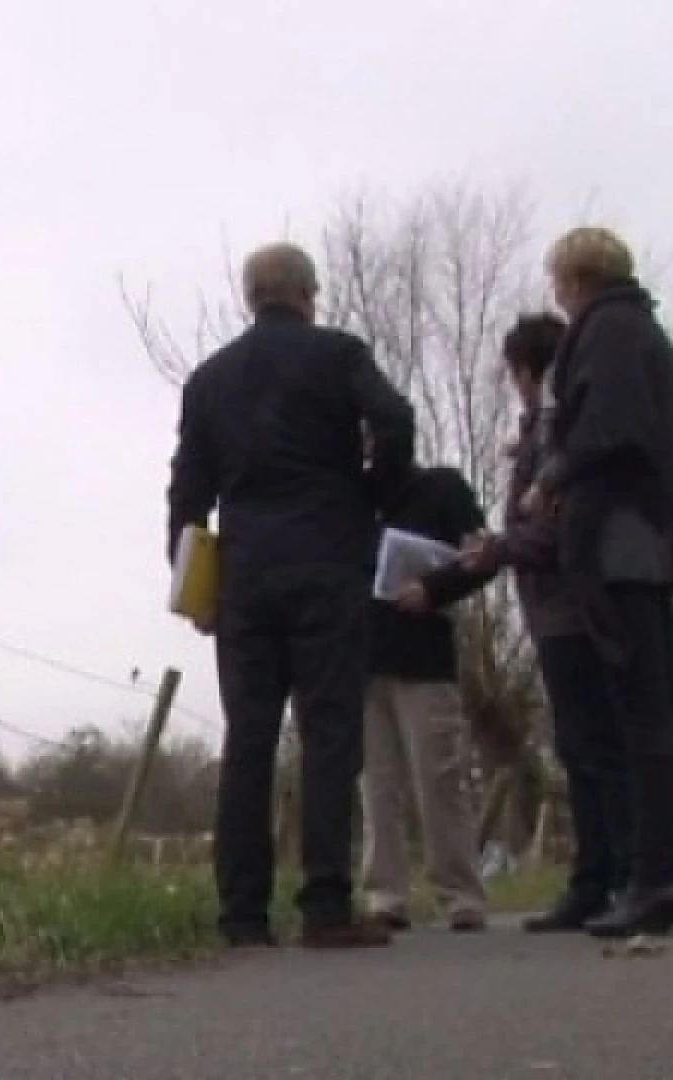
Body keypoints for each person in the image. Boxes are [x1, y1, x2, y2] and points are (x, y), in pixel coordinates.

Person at [167, 241, 416, 949]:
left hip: (246, 576)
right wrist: (375, 491)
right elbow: (395, 420)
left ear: (251, 297)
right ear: (310, 294)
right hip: (327, 563)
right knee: (329, 733)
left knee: (247, 738)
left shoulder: (210, 380)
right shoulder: (338, 355)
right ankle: (326, 906)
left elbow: (188, 493)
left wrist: (195, 591)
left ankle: (242, 914)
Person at [518, 226, 673, 938]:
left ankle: (658, 881)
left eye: (558, 282)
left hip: (621, 543)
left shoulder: (606, 332)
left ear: (573, 279)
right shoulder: (639, 330)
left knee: (645, 718)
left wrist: (552, 475)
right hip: (650, 539)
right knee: (663, 714)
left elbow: (613, 426)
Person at [461, 312, 634, 932]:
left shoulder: (560, 429)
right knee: (581, 743)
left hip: (568, 606)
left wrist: (501, 548)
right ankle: (599, 877)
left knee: (592, 746)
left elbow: (559, 528)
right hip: (553, 608)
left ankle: (610, 877)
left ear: (529, 372)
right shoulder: (542, 427)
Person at [359, 446, 495, 932]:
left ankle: (460, 895)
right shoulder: (349, 496)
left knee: (439, 778)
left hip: (424, 657)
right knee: (376, 785)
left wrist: (433, 589)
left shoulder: (443, 488)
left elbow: (483, 558)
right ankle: (385, 895)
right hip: (361, 656)